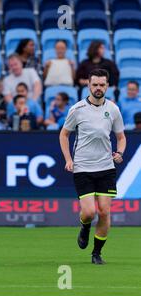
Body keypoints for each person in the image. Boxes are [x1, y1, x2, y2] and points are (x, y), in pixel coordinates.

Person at [59, 69, 126, 265]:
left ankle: (96, 253)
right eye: (95, 84)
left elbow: (121, 137)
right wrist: (68, 159)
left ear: (107, 86)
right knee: (89, 212)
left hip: (106, 167)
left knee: (104, 211)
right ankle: (85, 226)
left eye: (102, 85)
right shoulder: (77, 109)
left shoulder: (113, 109)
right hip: (83, 167)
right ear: (88, 85)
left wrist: (119, 153)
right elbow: (64, 135)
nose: (98, 88)